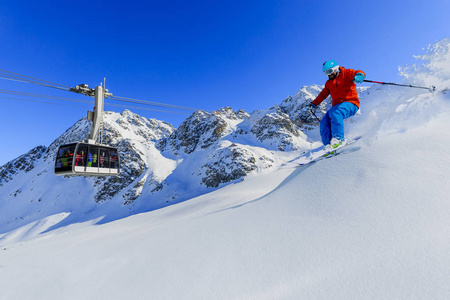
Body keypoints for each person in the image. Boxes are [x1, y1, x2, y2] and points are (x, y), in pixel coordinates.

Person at [308, 60, 365, 151]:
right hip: (337, 107)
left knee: (335, 112)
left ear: (336, 68)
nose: (328, 75)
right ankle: (329, 145)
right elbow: (323, 95)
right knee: (324, 122)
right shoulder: (329, 83)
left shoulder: (346, 73)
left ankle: (338, 140)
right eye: (326, 73)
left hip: (351, 103)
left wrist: (359, 76)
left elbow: (358, 72)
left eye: (330, 71)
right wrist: (314, 104)